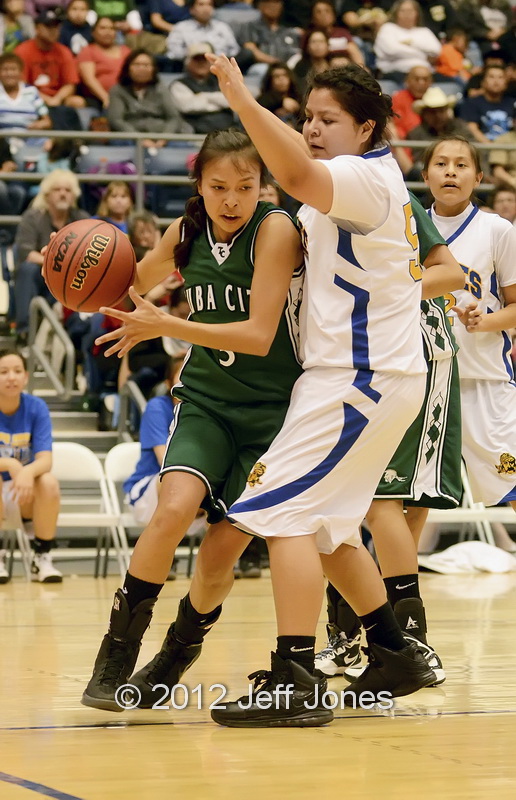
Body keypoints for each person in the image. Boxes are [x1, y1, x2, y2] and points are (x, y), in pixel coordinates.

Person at [91, 64, 444, 726]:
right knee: (332, 529)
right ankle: (397, 651)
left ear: (366, 129)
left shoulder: (360, 180)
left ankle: (296, 677)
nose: (310, 126)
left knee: (283, 520)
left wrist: (237, 95)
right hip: (363, 376)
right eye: (306, 115)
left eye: (326, 118)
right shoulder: (345, 192)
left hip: (358, 376)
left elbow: (296, 177)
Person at [80, 128, 306, 714]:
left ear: (264, 186)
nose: (231, 199)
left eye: (245, 186)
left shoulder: (275, 228)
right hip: (207, 400)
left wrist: (166, 326)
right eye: (218, 187)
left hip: (272, 416)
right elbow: (127, 283)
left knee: (215, 557)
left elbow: (258, 336)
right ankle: (115, 657)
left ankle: (176, 654)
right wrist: (83, 270)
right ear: (198, 185)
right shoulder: (186, 231)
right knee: (172, 509)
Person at [315, 191, 464, 681]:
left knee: (386, 500)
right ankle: (351, 640)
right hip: (350, 357)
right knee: (348, 504)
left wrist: (389, 290)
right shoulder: (308, 208)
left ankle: (411, 642)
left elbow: (450, 273)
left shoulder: (379, 192)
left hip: (411, 350)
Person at [423, 135, 516, 515]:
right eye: (441, 163)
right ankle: (398, 576)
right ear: (426, 174)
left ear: (478, 177)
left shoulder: (497, 230)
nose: (450, 171)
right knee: (412, 499)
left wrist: (486, 321)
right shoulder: (406, 228)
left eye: (461, 165)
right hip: (423, 380)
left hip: (484, 379)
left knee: (512, 487)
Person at [0, 349, 62, 585]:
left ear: (26, 376)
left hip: (22, 491)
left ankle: (42, 558)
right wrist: (10, 464)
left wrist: (25, 471)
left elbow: (46, 460)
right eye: (3, 372)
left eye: (17, 371)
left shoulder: (36, 407)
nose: (11, 377)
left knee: (48, 481)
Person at [13, 169, 88, 345]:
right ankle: (24, 333)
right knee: (27, 269)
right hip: (40, 276)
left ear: (74, 196)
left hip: (71, 280)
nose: (63, 194)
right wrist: (58, 263)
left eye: (67, 190)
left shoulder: (82, 220)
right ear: (47, 195)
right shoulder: (32, 217)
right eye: (57, 190)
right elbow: (27, 253)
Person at [107, 49, 192, 146]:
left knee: (182, 146)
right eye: (137, 65)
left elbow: (173, 117)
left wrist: (164, 138)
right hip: (130, 136)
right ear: (128, 68)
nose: (141, 69)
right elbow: (117, 120)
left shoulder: (161, 89)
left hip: (160, 135)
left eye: (146, 65)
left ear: (153, 69)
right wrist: (139, 139)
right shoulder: (117, 90)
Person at [169, 42, 234, 133]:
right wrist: (220, 102)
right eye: (197, 59)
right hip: (196, 138)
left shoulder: (222, 80)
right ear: (188, 62)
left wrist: (202, 96)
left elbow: (233, 101)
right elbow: (188, 106)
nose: (201, 63)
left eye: (204, 60)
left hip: (229, 134)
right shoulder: (178, 85)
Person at [373, 0, 441, 86]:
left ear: (417, 13)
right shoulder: (388, 28)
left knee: (451, 83)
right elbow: (393, 51)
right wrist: (423, 55)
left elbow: (436, 50)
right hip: (396, 73)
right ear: (396, 13)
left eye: (410, 11)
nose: (407, 14)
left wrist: (410, 44)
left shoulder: (424, 31)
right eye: (403, 11)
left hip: (425, 72)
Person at [76, 16, 131, 109]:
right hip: (98, 100)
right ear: (93, 32)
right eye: (103, 28)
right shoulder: (88, 51)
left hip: (127, 98)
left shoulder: (126, 51)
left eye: (112, 28)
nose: (108, 32)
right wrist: (106, 98)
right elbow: (89, 80)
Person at [165, 0, 239, 65]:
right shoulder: (180, 28)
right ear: (192, 9)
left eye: (209, 4)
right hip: (191, 68)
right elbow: (173, 53)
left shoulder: (223, 27)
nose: (206, 8)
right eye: (201, 4)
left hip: (220, 67)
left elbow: (234, 51)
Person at [0, 52, 51, 132]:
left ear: (20, 73)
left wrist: (38, 125)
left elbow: (47, 121)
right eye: (5, 70)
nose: (9, 73)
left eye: (13, 69)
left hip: (29, 138)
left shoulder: (32, 91)